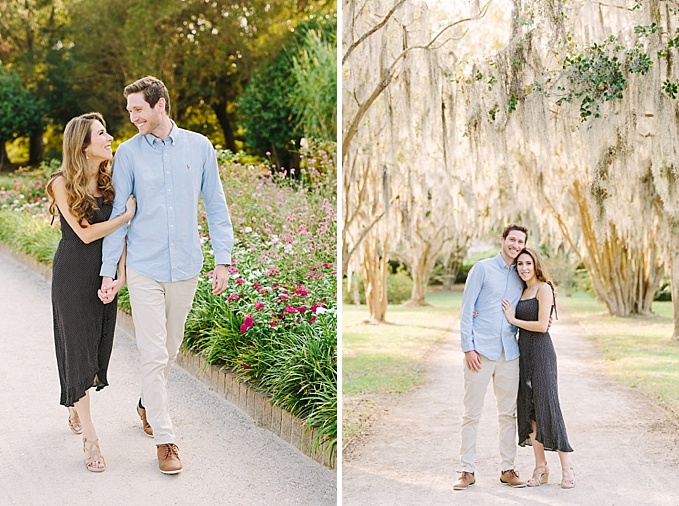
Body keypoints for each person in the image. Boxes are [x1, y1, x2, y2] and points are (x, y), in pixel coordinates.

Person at [99, 76, 234, 475]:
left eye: (138, 109)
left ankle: (146, 403)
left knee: (170, 351)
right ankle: (165, 438)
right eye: (129, 111)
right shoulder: (127, 153)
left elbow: (217, 206)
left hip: (186, 267)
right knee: (153, 353)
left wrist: (222, 260)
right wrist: (111, 272)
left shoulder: (199, 146)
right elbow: (119, 218)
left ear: (160, 106)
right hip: (144, 267)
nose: (132, 117)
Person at [46, 112, 136, 472]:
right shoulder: (61, 182)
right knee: (77, 349)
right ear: (84, 145)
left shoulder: (111, 180)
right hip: (72, 275)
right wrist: (124, 216)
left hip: (103, 276)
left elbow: (122, 238)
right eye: (102, 133)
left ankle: (74, 404)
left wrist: (121, 277)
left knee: (95, 349)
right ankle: (91, 439)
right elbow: (84, 234)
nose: (110, 137)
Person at [453, 224, 529, 491]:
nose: (515, 245)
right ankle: (466, 470)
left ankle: (508, 469)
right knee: (471, 414)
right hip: (480, 353)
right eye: (512, 240)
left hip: (510, 353)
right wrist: (468, 348)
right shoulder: (482, 268)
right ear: (502, 240)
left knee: (508, 414)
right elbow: (466, 310)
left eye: (520, 242)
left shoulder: (523, 274)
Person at [501, 247, 575, 489]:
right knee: (530, 412)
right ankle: (540, 466)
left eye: (527, 263)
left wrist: (514, 320)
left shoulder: (544, 289)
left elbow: (543, 326)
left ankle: (567, 468)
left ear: (536, 265)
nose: (523, 268)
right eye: (520, 264)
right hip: (524, 355)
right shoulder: (522, 290)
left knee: (548, 408)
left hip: (542, 353)